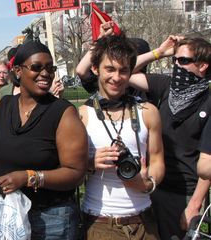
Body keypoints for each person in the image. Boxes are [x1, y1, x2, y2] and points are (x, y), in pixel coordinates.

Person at [0, 40, 88, 239]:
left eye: (50, 68)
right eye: (36, 67)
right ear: (18, 71)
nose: (45, 73)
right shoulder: (3, 105)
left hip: (50, 219)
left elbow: (76, 173)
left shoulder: (63, 112)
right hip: (6, 214)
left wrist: (28, 177)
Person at [78, 34, 164, 239]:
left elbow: (158, 160)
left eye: (123, 70)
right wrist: (91, 162)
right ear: (95, 69)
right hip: (100, 222)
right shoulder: (81, 115)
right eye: (110, 69)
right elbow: (69, 168)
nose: (116, 78)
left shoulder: (148, 111)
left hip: (144, 220)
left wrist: (148, 183)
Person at [129, 36, 211, 239]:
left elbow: (208, 162)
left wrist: (194, 204)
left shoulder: (208, 102)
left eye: (183, 60)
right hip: (155, 187)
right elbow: (124, 72)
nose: (176, 64)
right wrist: (159, 52)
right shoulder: (166, 86)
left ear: (202, 66)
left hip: (186, 195)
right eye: (174, 59)